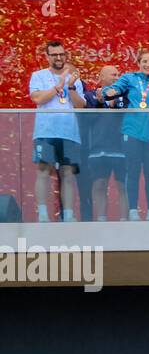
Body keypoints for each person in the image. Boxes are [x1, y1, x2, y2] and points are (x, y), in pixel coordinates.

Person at [102, 50, 149, 221]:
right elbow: (114, 88)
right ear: (139, 63)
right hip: (131, 131)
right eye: (144, 61)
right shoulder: (129, 78)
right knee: (133, 171)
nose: (147, 65)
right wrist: (109, 92)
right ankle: (133, 211)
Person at [28, 39, 85, 222]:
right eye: (55, 55)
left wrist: (70, 86)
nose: (59, 58)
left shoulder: (74, 78)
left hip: (69, 132)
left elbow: (80, 106)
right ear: (47, 56)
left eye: (62, 54)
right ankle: (43, 214)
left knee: (68, 172)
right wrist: (57, 87)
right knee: (43, 169)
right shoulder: (38, 75)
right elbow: (37, 98)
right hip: (45, 131)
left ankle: (68, 214)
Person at [80, 65, 126, 222]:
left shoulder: (124, 96)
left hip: (121, 147)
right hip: (98, 148)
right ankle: (101, 219)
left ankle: (125, 220)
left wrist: (116, 105)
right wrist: (100, 103)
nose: (116, 77)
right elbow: (88, 120)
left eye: (118, 75)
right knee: (99, 184)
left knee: (123, 185)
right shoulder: (91, 95)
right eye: (113, 74)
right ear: (102, 77)